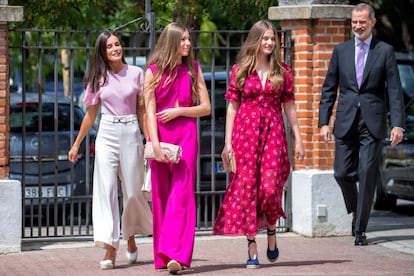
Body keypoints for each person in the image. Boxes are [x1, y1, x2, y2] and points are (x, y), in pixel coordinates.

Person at [212, 20, 305, 269]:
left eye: (272, 39)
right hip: (245, 136)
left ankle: (272, 231)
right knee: (248, 189)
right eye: (265, 38)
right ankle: (252, 246)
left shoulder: (283, 71)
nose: (269, 43)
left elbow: (289, 106)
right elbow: (232, 107)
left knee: (271, 187)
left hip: (273, 133)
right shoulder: (240, 70)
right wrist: (227, 143)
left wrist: (298, 137)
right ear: (256, 40)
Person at [318, 3, 405, 246]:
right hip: (345, 119)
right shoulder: (341, 50)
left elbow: (395, 90)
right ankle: (357, 207)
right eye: (354, 22)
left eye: (362, 22)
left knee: (367, 174)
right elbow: (328, 88)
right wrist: (324, 122)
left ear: (372, 23)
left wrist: (397, 124)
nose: (357, 26)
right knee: (342, 172)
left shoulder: (385, 51)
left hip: (373, 121)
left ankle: (360, 229)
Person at [68, 31, 152, 269]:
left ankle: (131, 237)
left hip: (131, 132)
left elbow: (142, 111)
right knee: (106, 191)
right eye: (110, 46)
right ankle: (110, 247)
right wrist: (76, 144)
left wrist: (149, 139)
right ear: (103, 52)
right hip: (107, 134)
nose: (115, 48)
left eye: (117, 44)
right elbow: (91, 114)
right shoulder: (98, 79)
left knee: (133, 192)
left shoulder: (137, 74)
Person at [143, 22, 211, 274]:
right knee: (161, 195)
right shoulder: (152, 72)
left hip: (186, 137)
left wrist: (179, 111)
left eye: (188, 40)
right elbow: (149, 111)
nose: (188, 44)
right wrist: (155, 144)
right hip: (160, 139)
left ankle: (176, 254)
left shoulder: (193, 69)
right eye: (182, 40)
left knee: (181, 195)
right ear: (171, 42)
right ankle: (162, 255)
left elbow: (206, 107)